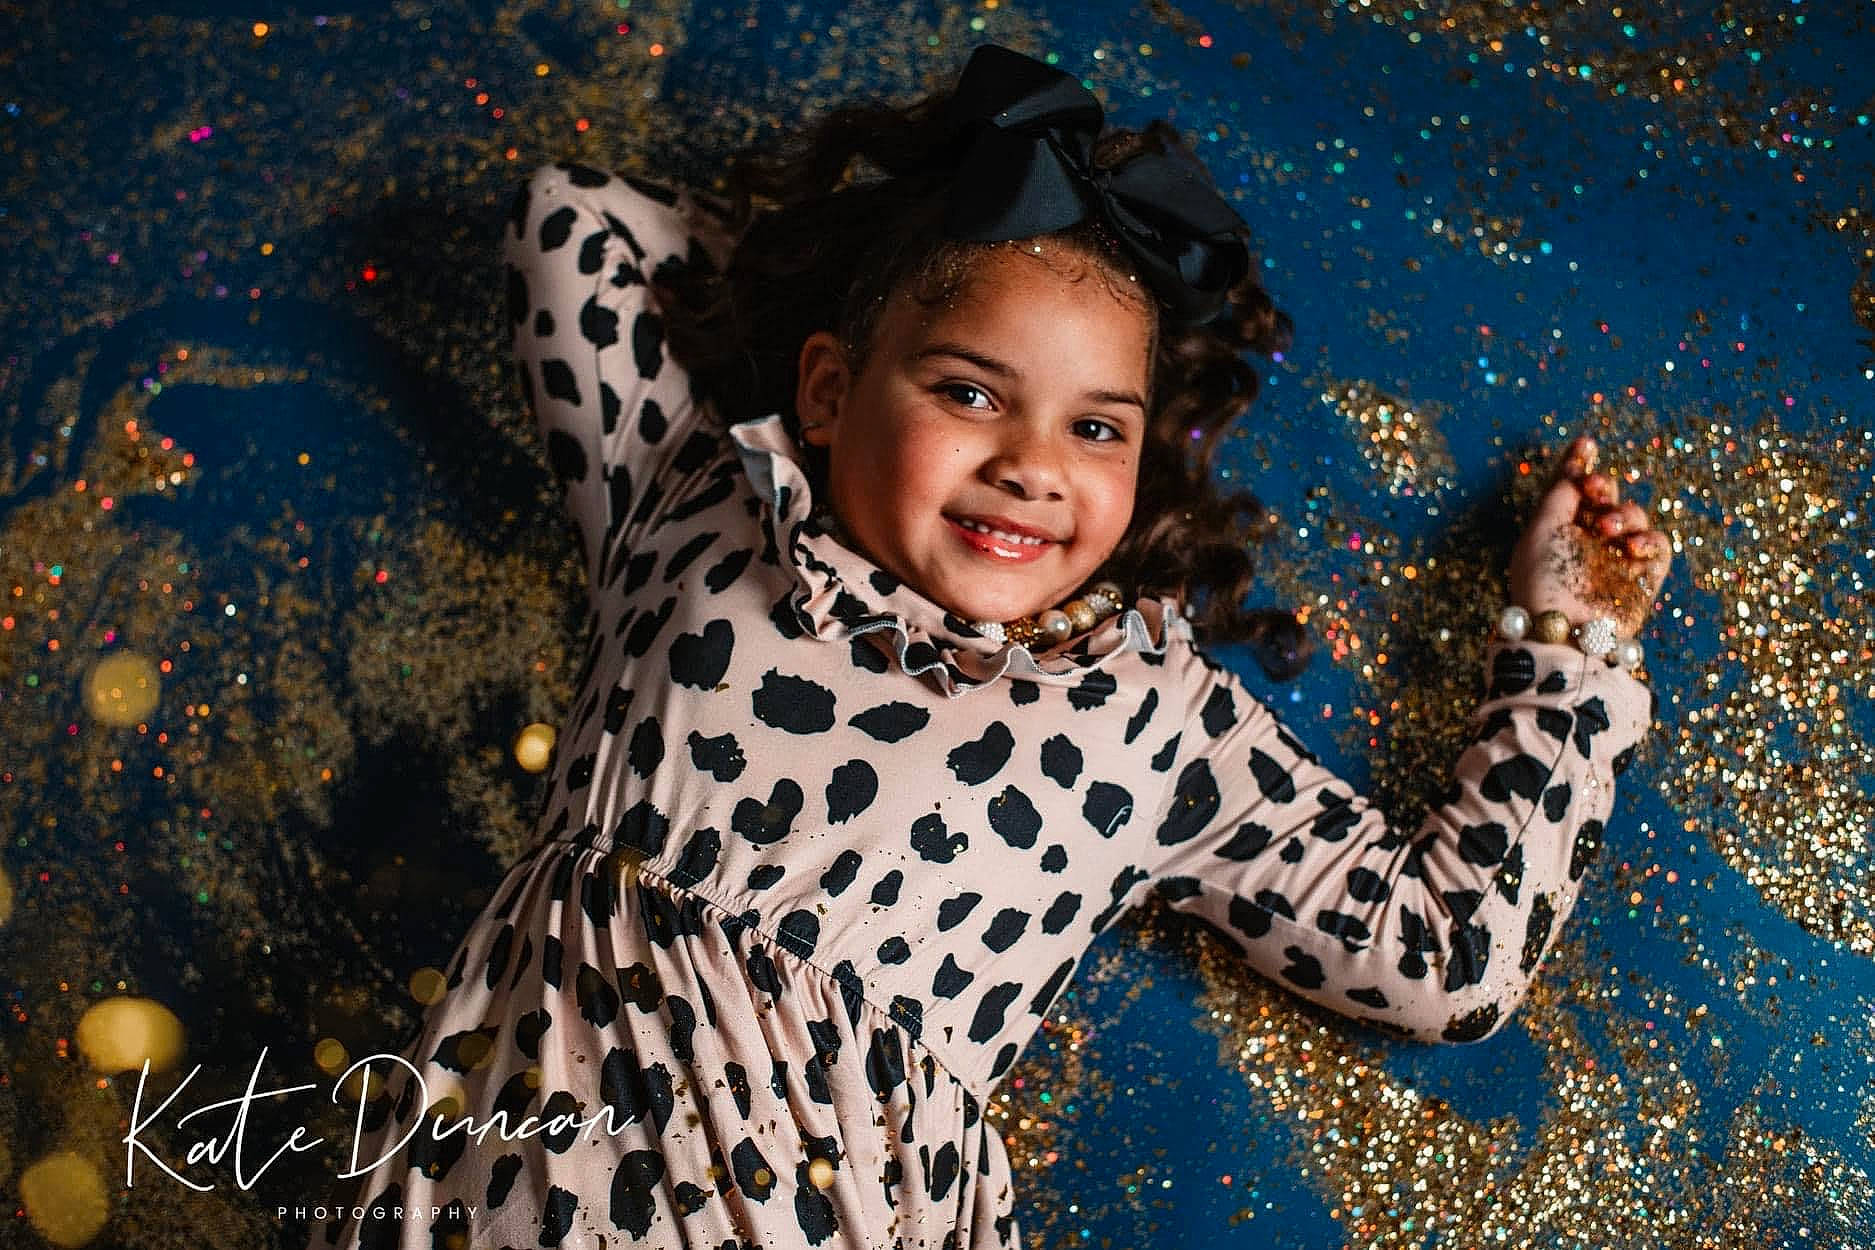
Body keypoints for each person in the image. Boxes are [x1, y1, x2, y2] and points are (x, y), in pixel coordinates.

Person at [315, 42, 1670, 1250]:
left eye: (1096, 427)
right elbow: (572, 223)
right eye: (969, 389)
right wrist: (888, 246)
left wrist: (1571, 645)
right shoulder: (696, 494)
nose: (1030, 465)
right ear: (831, 388)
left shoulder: (1143, 714)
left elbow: (1449, 958)